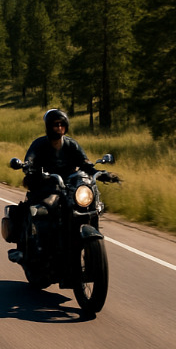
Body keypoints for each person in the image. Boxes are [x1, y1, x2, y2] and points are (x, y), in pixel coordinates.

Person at [9, 108, 117, 262]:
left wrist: (100, 172)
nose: (59, 128)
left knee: (88, 201)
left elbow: (85, 163)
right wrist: (28, 166)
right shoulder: (39, 144)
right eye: (55, 125)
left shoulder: (71, 144)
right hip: (46, 186)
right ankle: (28, 249)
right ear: (49, 127)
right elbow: (30, 160)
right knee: (41, 211)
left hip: (70, 187)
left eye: (62, 124)